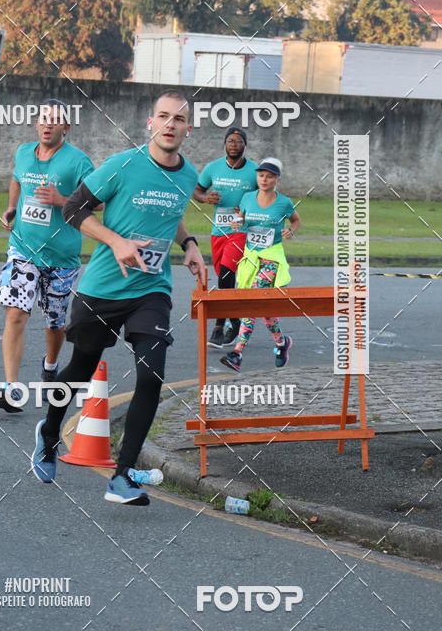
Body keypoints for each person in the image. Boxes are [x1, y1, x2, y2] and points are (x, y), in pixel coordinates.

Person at [31, 89, 205, 505]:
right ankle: (50, 433)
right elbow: (74, 209)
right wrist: (115, 241)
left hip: (151, 289)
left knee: (151, 375)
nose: (170, 125)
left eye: (178, 119)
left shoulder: (187, 174)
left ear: (188, 128)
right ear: (151, 122)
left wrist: (191, 244)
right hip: (102, 289)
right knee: (80, 368)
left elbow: (172, 213)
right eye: (163, 116)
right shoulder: (123, 165)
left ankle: (122, 476)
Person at [0, 100, 94, 413]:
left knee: (55, 323)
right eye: (43, 119)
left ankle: (50, 365)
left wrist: (62, 199)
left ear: (66, 127)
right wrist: (12, 207)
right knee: (15, 313)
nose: (48, 125)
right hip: (23, 248)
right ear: (36, 123)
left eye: (55, 120)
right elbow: (17, 181)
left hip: (61, 257)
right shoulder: (23, 152)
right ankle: (10, 388)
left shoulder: (78, 161)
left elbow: (98, 202)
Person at [220, 157, 301, 372]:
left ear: (277, 179)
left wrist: (290, 231)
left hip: (271, 259)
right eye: (261, 175)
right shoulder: (247, 198)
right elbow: (240, 218)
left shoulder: (283, 202)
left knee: (253, 300)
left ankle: (237, 353)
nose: (264, 180)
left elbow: (296, 220)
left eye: (270, 176)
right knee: (263, 308)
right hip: (251, 258)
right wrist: (238, 222)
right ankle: (282, 343)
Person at [193, 128, 257, 348]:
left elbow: (266, 195)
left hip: (240, 231)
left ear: (244, 145)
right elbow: (197, 190)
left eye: (238, 141)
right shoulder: (213, 168)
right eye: (230, 141)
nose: (233, 144)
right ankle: (237, 324)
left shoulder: (254, 171)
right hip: (217, 231)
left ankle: (219, 328)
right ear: (225, 144)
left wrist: (249, 208)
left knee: (228, 273)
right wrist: (204, 198)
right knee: (225, 279)